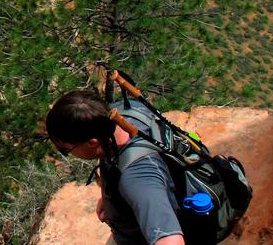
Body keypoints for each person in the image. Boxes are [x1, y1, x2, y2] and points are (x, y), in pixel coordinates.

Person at [46, 90, 184, 245]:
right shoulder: (117, 116)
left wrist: (132, 192)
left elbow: (171, 241)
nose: (67, 154)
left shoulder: (137, 179)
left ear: (92, 142)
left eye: (65, 149)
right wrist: (112, 199)